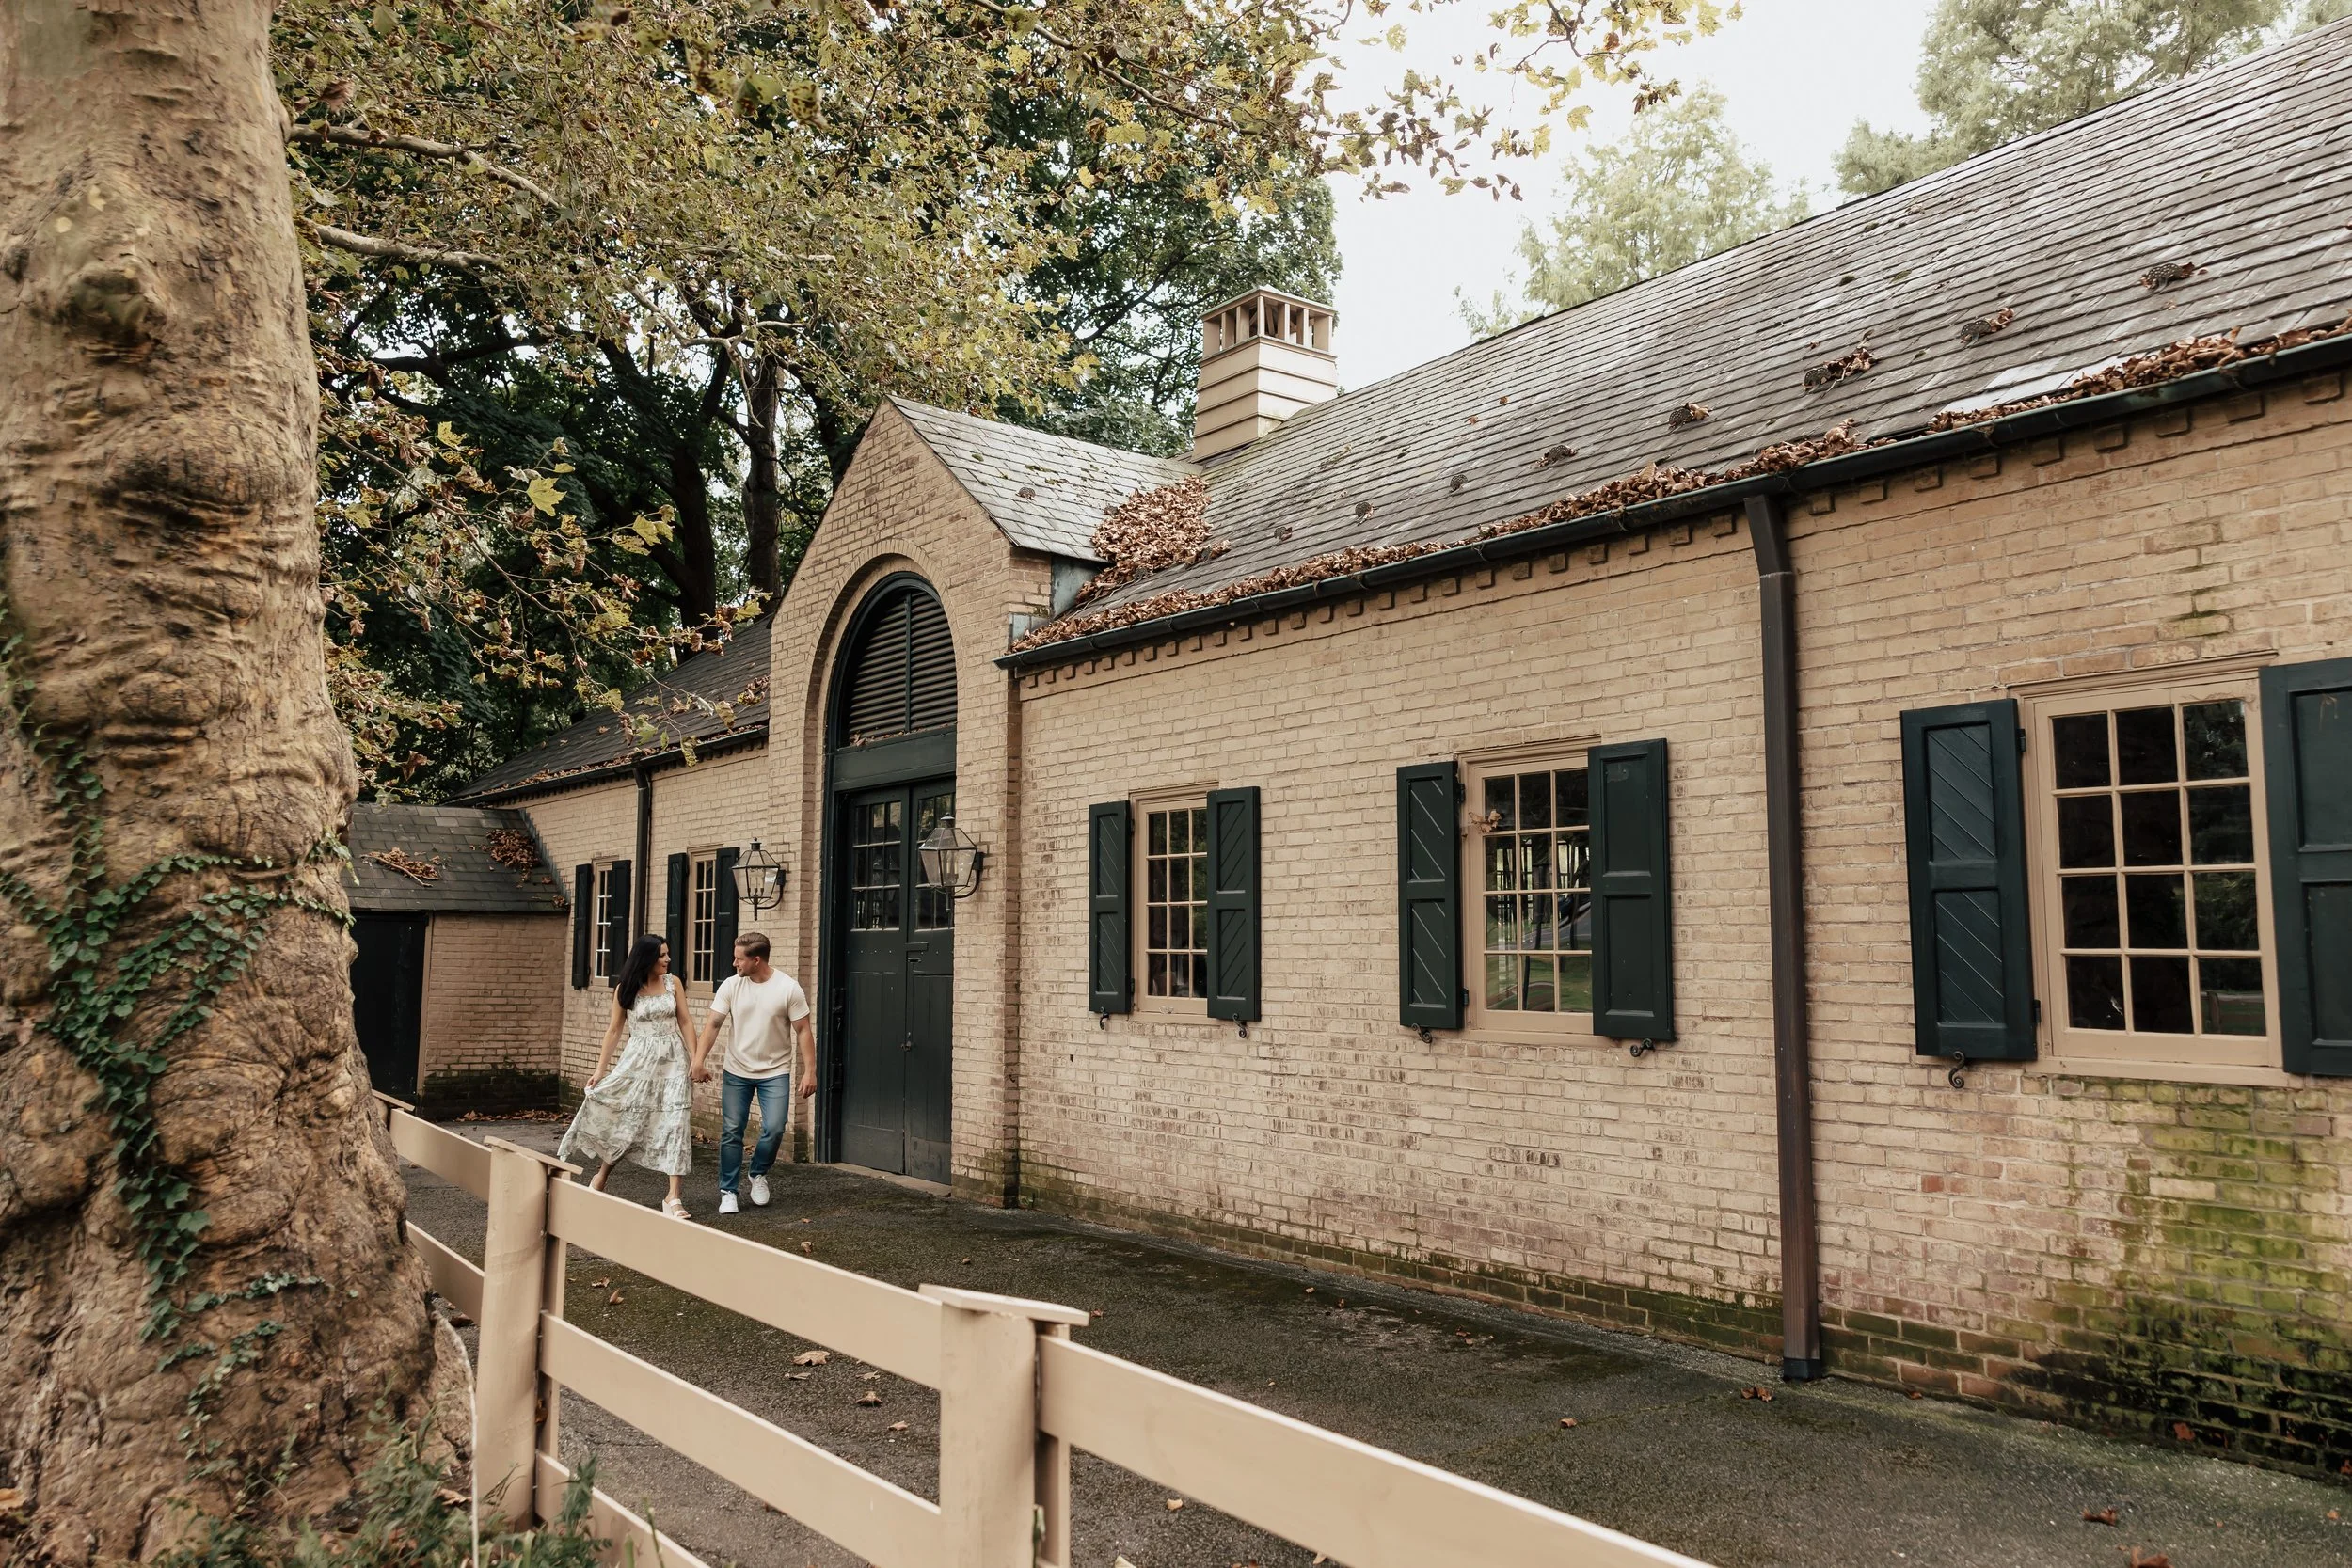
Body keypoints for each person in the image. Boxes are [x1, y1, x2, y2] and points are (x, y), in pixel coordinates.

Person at [558, 933, 696, 1219]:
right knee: (628, 1121)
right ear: (646, 958)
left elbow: (685, 1021)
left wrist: (697, 1060)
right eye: (662, 955)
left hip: (674, 1064)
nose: (668, 960)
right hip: (638, 1063)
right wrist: (599, 1070)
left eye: (668, 954)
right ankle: (602, 1175)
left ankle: (673, 1197)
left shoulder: (674, 984)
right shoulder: (626, 988)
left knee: (676, 1123)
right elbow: (614, 1030)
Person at [691, 930, 814, 1215]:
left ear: (756, 960)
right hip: (737, 1071)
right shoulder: (731, 987)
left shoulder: (788, 988)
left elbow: (804, 1030)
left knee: (774, 1127)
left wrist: (810, 1072)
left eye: (739, 959)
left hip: (775, 1071)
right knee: (732, 1131)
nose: (734, 964)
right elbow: (713, 1025)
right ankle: (728, 1191)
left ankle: (757, 1173)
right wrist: (698, 1060)